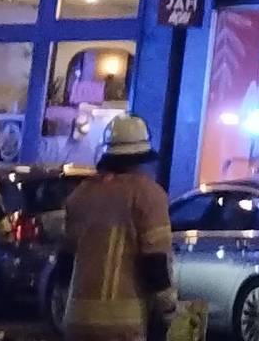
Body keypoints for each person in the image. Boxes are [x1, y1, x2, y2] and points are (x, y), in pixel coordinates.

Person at [60, 115, 175, 341]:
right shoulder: (149, 195)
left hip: (76, 321)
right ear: (142, 159)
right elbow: (154, 264)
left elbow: (65, 263)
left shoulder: (80, 195)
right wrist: (170, 312)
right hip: (124, 326)